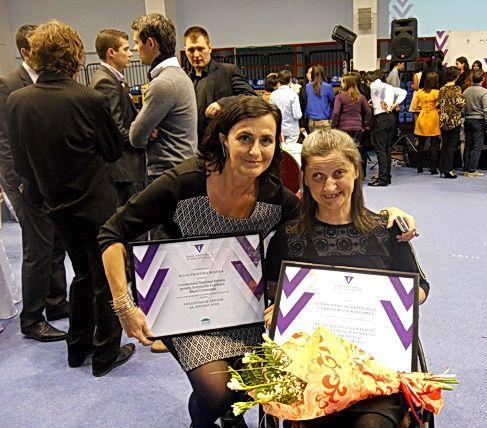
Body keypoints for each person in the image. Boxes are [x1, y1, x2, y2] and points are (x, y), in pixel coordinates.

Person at [97, 96, 418, 427]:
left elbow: (324, 216)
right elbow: (112, 234)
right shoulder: (184, 182)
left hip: (244, 307)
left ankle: (229, 414)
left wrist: (386, 216)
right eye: (244, 138)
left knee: (255, 380)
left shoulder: (273, 196)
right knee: (217, 391)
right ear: (224, 139)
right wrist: (123, 305)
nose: (255, 151)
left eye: (266, 140)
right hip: (186, 306)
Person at [263, 128, 429, 428]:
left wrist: (389, 301)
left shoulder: (386, 230)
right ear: (305, 179)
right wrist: (276, 312)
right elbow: (272, 295)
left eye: (339, 173)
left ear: (355, 170)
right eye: (317, 176)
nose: (329, 186)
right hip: (310, 371)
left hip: (376, 368)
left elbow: (420, 288)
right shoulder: (288, 236)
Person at [6, 21, 134, 376]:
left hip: (54, 205)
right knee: (106, 277)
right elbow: (113, 151)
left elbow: (20, 164)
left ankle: (77, 347)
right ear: (75, 55)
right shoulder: (88, 98)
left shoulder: (17, 101)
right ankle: (105, 354)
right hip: (96, 204)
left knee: (81, 274)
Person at [0, 24, 69, 341]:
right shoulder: (8, 84)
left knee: (55, 243)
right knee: (37, 249)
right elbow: (4, 140)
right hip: (24, 183)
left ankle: (56, 303)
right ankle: (31, 320)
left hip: (49, 180)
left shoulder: (48, 80)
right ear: (25, 51)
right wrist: (18, 182)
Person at [129, 14, 197, 182]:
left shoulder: (163, 83)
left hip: (167, 176)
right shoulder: (179, 76)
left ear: (150, 43)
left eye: (137, 42)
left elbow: (136, 137)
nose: (135, 49)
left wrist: (145, 128)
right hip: (180, 171)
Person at [90, 29, 146, 207]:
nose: (131, 54)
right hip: (125, 170)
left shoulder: (112, 79)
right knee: (132, 218)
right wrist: (144, 136)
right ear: (111, 52)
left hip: (125, 169)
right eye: (126, 49)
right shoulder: (105, 81)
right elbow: (117, 129)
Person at [184, 26, 256, 141]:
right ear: (185, 50)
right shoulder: (185, 81)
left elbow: (251, 97)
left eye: (200, 49)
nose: (196, 55)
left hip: (223, 143)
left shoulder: (228, 71)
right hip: (193, 145)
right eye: (191, 50)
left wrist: (222, 103)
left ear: (210, 48)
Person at [366, 71, 407, 186]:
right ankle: (387, 176)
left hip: (380, 119)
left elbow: (378, 93)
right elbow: (403, 92)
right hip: (391, 118)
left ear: (368, 81)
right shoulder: (388, 86)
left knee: (380, 150)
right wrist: (395, 103)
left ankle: (382, 178)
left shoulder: (374, 86)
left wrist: (377, 103)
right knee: (387, 149)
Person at [331, 73, 372, 174]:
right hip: (357, 128)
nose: (341, 84)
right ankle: (358, 174)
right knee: (356, 152)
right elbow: (368, 111)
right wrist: (364, 125)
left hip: (343, 129)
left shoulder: (340, 97)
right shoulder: (361, 97)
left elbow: (335, 113)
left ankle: (346, 173)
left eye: (342, 82)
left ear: (347, 83)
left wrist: (334, 126)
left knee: (344, 153)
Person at [462, 70, 487, 177]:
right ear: (483, 79)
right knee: (477, 147)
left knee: (468, 146)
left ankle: (466, 169)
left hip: (467, 120)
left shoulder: (466, 91)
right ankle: (472, 170)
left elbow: (463, 107)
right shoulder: (484, 92)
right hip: (478, 121)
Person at [437, 67, 465, 178]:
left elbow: (439, 103)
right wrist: (464, 102)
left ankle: (442, 167)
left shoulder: (442, 88)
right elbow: (460, 104)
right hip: (454, 120)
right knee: (451, 146)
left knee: (444, 144)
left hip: (443, 119)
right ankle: (448, 169)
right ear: (456, 76)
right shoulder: (457, 88)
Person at [269, 69, 302, 154]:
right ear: (290, 80)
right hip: (292, 130)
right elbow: (297, 115)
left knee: (280, 153)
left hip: (279, 129)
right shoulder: (293, 94)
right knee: (291, 154)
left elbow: (272, 113)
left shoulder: (273, 94)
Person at [413, 72, 440, 174]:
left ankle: (419, 167)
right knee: (434, 145)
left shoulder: (420, 92)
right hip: (433, 117)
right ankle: (433, 168)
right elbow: (440, 106)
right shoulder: (437, 92)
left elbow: (414, 106)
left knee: (421, 144)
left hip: (422, 117)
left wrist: (422, 109)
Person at [305, 64, 335, 132]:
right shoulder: (328, 87)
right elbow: (332, 100)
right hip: (324, 120)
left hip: (312, 120)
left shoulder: (307, 86)